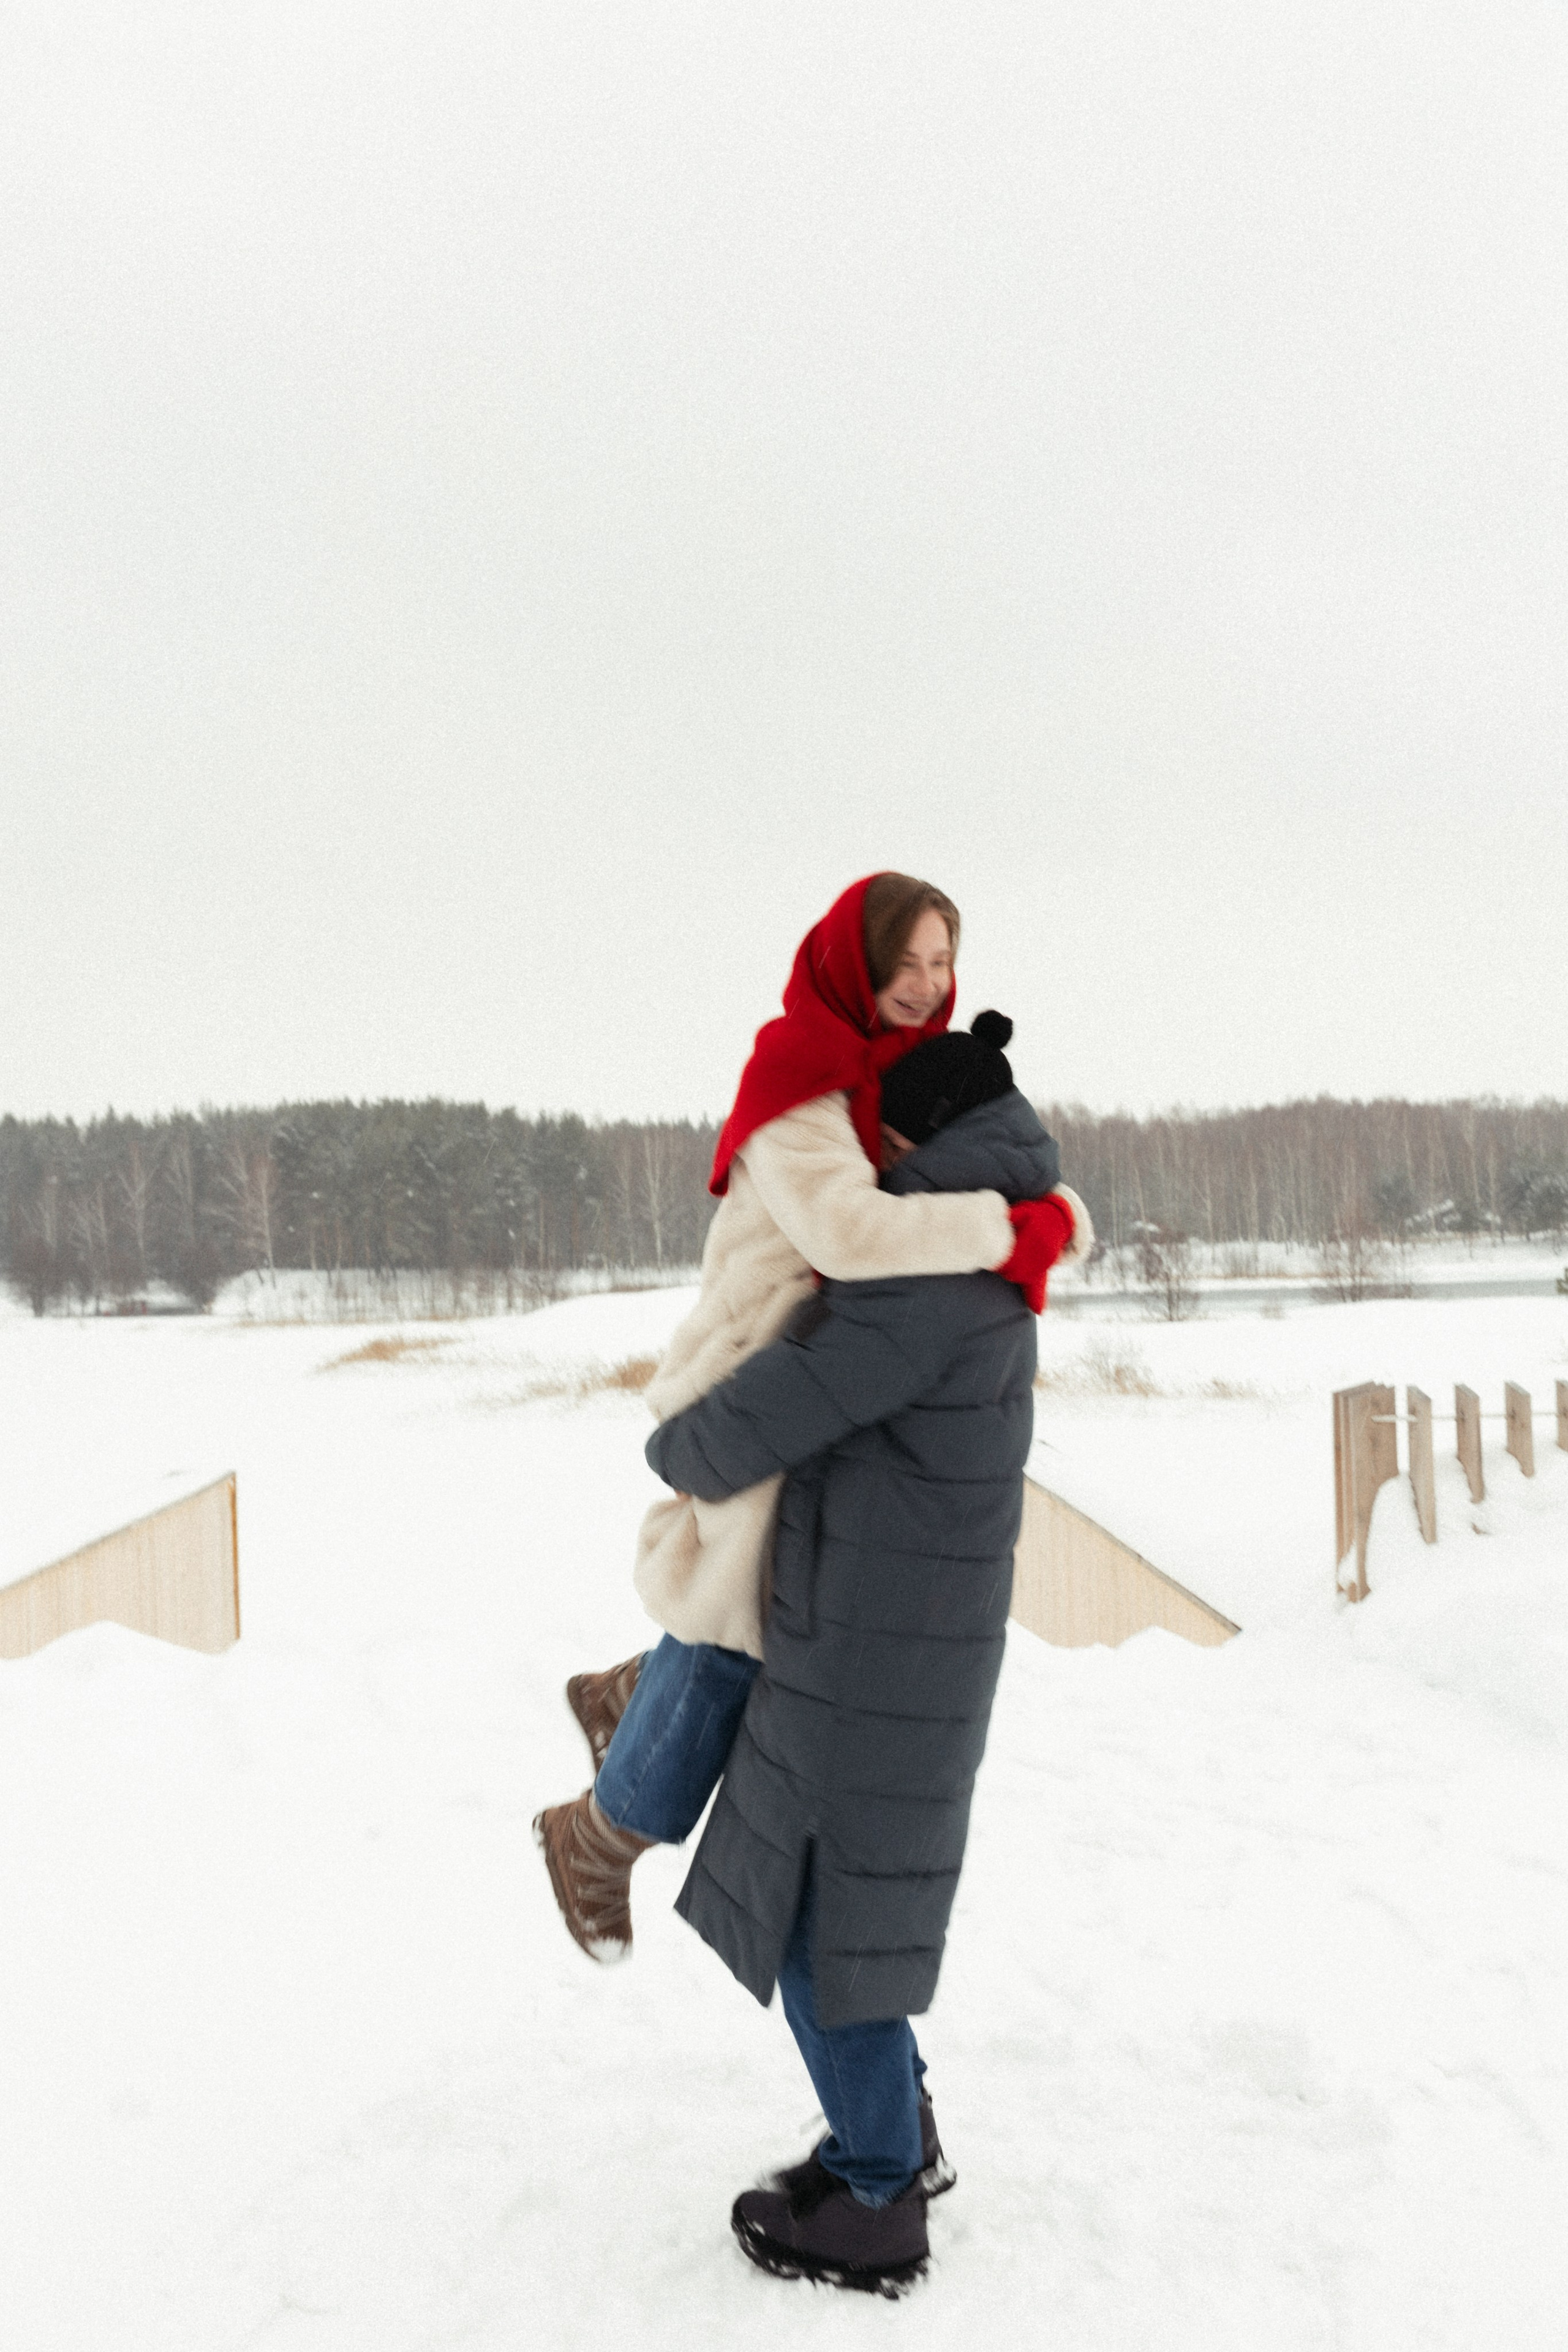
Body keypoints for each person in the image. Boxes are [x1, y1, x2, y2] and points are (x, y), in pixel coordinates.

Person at [533, 875, 1086, 1974]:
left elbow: (962, 1167)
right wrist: (1008, 1227)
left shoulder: (880, 1077)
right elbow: (848, 1231)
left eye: (944, 963)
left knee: (754, 1618)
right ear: (856, 963)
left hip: (801, 1377)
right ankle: (593, 1838)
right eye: (908, 964)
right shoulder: (801, 1083)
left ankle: (626, 1702)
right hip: (742, 1375)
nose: (928, 989)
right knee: (739, 1630)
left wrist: (1052, 1216)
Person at [644, 1015, 1077, 2294]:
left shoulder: (926, 1284)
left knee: (818, 1920)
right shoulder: (980, 1241)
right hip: (886, 1634)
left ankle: (880, 2197)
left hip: (875, 1647)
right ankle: (895, 2135)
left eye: (873, 1129)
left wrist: (669, 1450)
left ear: (912, 1134)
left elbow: (758, 1422)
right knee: (840, 1899)